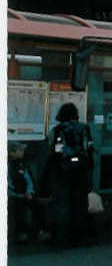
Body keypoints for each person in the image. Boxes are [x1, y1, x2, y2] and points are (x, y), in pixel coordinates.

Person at [46, 103, 95, 246]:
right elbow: (89, 148)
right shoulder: (85, 128)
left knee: (63, 204)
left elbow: (54, 152)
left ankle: (63, 237)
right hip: (81, 171)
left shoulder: (56, 130)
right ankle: (80, 236)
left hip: (62, 172)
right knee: (80, 203)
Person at [8, 142, 50, 242]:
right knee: (18, 208)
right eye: (20, 150)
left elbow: (28, 179)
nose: (23, 152)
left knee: (37, 206)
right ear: (12, 152)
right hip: (14, 195)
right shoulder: (8, 166)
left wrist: (29, 191)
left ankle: (41, 230)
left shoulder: (22, 164)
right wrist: (15, 194)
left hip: (25, 194)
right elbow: (8, 182)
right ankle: (21, 232)